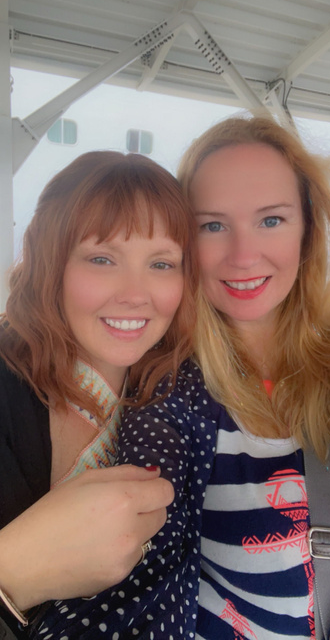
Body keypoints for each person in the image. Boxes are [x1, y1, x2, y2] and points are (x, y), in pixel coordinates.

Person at [31, 116, 330, 640]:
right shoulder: (173, 396)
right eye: (212, 225)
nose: (243, 256)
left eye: (271, 220)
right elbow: (132, 593)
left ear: (309, 228)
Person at [0, 150, 198, 639]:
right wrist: (14, 573)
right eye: (102, 258)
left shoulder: (184, 396)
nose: (135, 293)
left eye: (161, 263)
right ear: (52, 262)